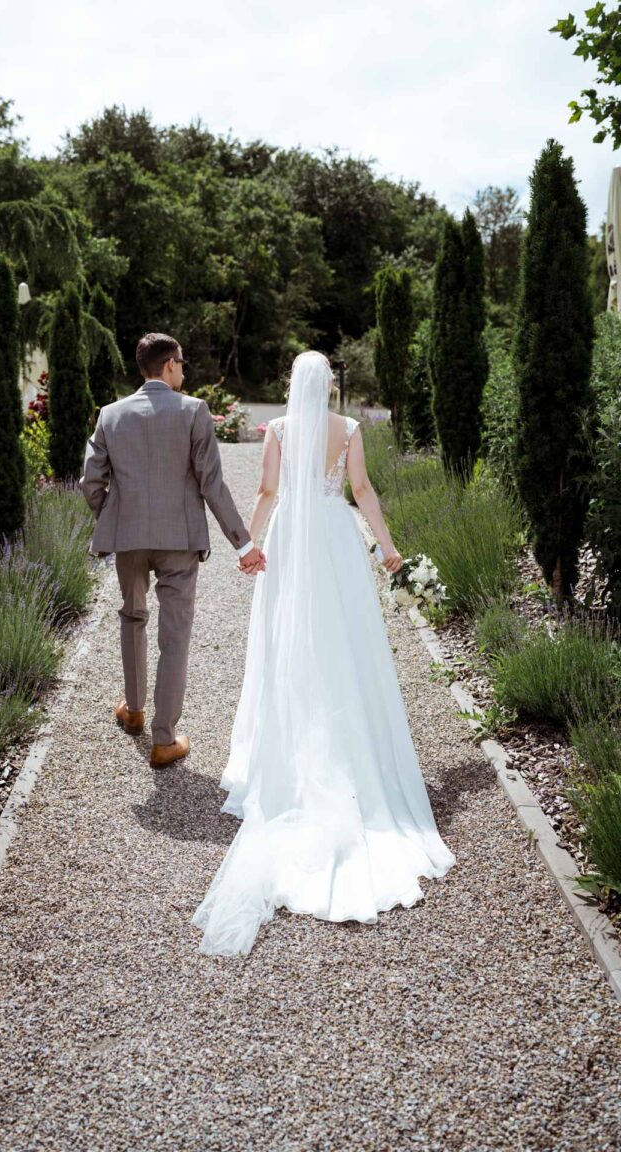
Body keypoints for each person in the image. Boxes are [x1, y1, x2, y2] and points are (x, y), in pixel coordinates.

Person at [192, 350, 456, 955]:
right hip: (335, 538)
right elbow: (361, 489)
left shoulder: (280, 430)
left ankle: (292, 740)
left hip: (291, 536)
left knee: (289, 638)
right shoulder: (351, 430)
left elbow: (265, 489)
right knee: (346, 639)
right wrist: (388, 548)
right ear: (329, 385)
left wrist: (249, 544)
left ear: (291, 387)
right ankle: (351, 742)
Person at [80, 332, 265, 769]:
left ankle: (134, 711)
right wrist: (245, 543)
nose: (184, 370)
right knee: (175, 635)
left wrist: (115, 514)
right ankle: (164, 739)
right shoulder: (194, 411)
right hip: (179, 541)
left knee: (131, 618)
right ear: (168, 365)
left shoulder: (110, 414)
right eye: (182, 362)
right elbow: (211, 484)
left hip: (128, 540)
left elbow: (91, 482)